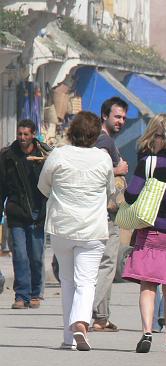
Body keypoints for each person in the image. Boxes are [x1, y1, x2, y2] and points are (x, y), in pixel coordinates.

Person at [37, 112, 115, 351]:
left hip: (62, 227)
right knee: (87, 281)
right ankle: (80, 322)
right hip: (92, 228)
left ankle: (68, 338)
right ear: (95, 135)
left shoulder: (58, 154)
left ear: (71, 132)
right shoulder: (103, 158)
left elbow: (43, 186)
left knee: (68, 281)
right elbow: (110, 191)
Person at [121, 114, 166, 354]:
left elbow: (132, 195)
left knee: (148, 285)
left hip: (152, 230)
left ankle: (147, 333)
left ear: (160, 138)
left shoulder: (149, 163)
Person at [0, 119, 50, 309]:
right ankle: (21, 295)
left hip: (38, 213)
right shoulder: (8, 156)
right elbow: (2, 187)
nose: (22, 138)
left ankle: (36, 293)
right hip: (16, 213)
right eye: (20, 134)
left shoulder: (43, 155)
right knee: (20, 255)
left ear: (33, 135)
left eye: (26, 134)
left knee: (36, 255)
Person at [91, 96, 130, 332]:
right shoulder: (104, 143)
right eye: (117, 116)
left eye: (124, 117)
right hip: (106, 214)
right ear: (105, 115)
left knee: (100, 264)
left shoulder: (96, 140)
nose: (121, 121)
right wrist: (119, 169)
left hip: (96, 213)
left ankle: (101, 316)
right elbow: (99, 175)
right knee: (106, 264)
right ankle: (95, 314)